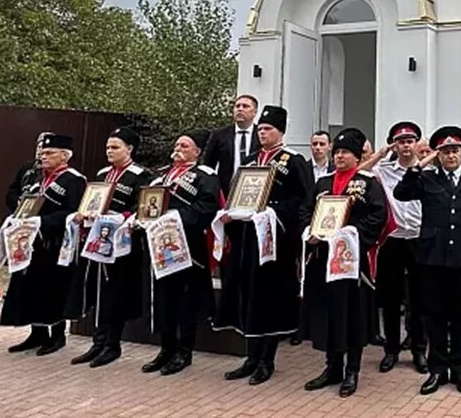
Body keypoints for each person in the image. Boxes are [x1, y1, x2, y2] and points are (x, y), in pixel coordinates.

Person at [215, 105, 316, 385]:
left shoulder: (293, 161)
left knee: (269, 298)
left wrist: (275, 213)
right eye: (260, 129)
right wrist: (231, 212)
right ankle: (250, 356)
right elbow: (237, 192)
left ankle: (267, 360)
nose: (262, 133)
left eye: (268, 129)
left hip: (275, 241)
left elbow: (304, 200)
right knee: (247, 295)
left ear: (281, 131)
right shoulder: (249, 161)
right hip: (247, 239)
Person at [393, 126, 461, 397]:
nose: (451, 155)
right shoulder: (427, 179)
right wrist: (418, 165)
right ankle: (438, 369)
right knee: (434, 316)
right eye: (446, 151)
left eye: (455, 150)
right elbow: (401, 194)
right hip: (432, 259)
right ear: (438, 154)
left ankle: (459, 369)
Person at [300, 128, 388, 398]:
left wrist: (352, 233)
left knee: (352, 315)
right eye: (337, 152)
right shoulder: (323, 183)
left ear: (356, 155)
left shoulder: (368, 182)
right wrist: (309, 232)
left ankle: (352, 370)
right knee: (328, 314)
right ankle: (332, 367)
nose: (339, 156)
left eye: (345, 152)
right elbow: (306, 211)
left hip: (350, 263)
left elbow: (379, 216)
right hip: (323, 261)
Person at [66, 127, 153, 368]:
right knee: (97, 291)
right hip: (98, 243)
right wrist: (84, 214)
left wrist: (121, 217)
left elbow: (142, 208)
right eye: (107, 147)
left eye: (115, 147)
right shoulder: (103, 173)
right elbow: (91, 201)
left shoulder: (141, 175)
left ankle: (112, 345)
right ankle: (98, 342)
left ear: (130, 149)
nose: (109, 151)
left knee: (116, 294)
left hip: (123, 245)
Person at [140, 129, 221, 376]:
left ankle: (185, 352)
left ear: (197, 151)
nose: (178, 148)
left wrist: (176, 218)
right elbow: (146, 204)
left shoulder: (205, 175)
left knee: (187, 300)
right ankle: (166, 348)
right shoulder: (161, 176)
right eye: (177, 144)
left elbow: (207, 207)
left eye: (185, 146)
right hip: (160, 246)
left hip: (189, 245)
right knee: (164, 298)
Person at [0, 133, 87, 355]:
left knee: (52, 289)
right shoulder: (38, 179)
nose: (44, 156)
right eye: (43, 153)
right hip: (31, 244)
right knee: (29, 287)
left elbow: (74, 212)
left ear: (64, 156)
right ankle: (36, 333)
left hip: (55, 244)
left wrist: (43, 222)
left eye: (50, 153)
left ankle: (57, 335)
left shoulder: (73, 180)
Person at [359, 121, 428, 374]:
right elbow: (356, 174)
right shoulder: (384, 170)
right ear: (394, 145)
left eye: (410, 141)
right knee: (390, 299)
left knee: (419, 300)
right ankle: (391, 350)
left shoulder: (426, 170)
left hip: (420, 240)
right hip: (392, 240)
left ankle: (420, 350)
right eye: (401, 141)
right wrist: (379, 153)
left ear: (417, 143)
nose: (406, 146)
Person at [203, 94, 261, 197]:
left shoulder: (261, 135)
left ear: (255, 112)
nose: (240, 109)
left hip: (254, 190)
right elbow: (208, 165)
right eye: (237, 106)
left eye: (245, 106)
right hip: (225, 193)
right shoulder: (220, 135)